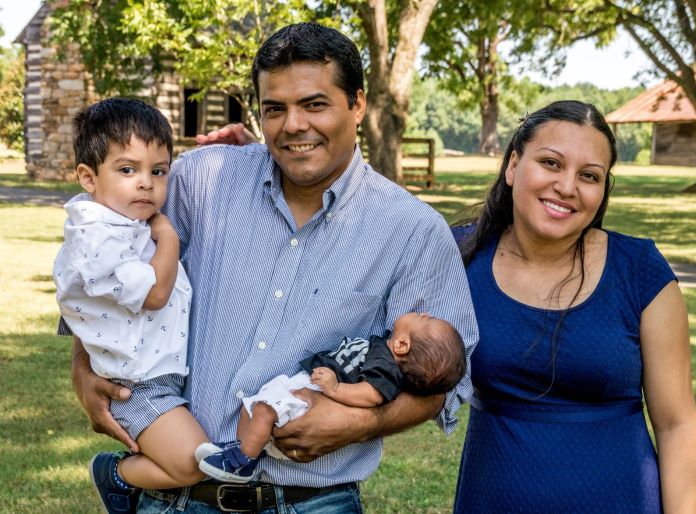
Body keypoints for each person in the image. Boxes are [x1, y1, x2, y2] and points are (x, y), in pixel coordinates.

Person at [67, 22, 477, 513]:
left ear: (358, 104)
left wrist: (358, 422)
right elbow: (104, 252)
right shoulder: (202, 178)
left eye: (315, 104)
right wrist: (82, 364)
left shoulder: (413, 231)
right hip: (172, 498)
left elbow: (443, 383)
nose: (294, 125)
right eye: (274, 108)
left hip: (312, 501)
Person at [452, 100, 696, 513]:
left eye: (589, 175)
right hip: (491, 497)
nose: (567, 187)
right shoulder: (459, 256)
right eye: (551, 163)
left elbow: (677, 425)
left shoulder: (639, 272)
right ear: (513, 165)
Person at [53, 98, 216, 505]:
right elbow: (157, 294)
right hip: (136, 386)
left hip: (153, 374)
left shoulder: (122, 222)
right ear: (88, 177)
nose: (146, 182)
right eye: (128, 170)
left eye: (158, 171)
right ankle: (115, 474)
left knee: (195, 459)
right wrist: (170, 239)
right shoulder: (100, 238)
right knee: (193, 464)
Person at [197, 312, 467, 483]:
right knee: (254, 408)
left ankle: (243, 463)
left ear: (402, 345)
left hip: (315, 397)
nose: (422, 312)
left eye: (423, 319)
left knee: (265, 411)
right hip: (308, 388)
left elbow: (371, 396)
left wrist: (335, 389)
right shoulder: (384, 352)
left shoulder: (385, 368)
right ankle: (240, 449)